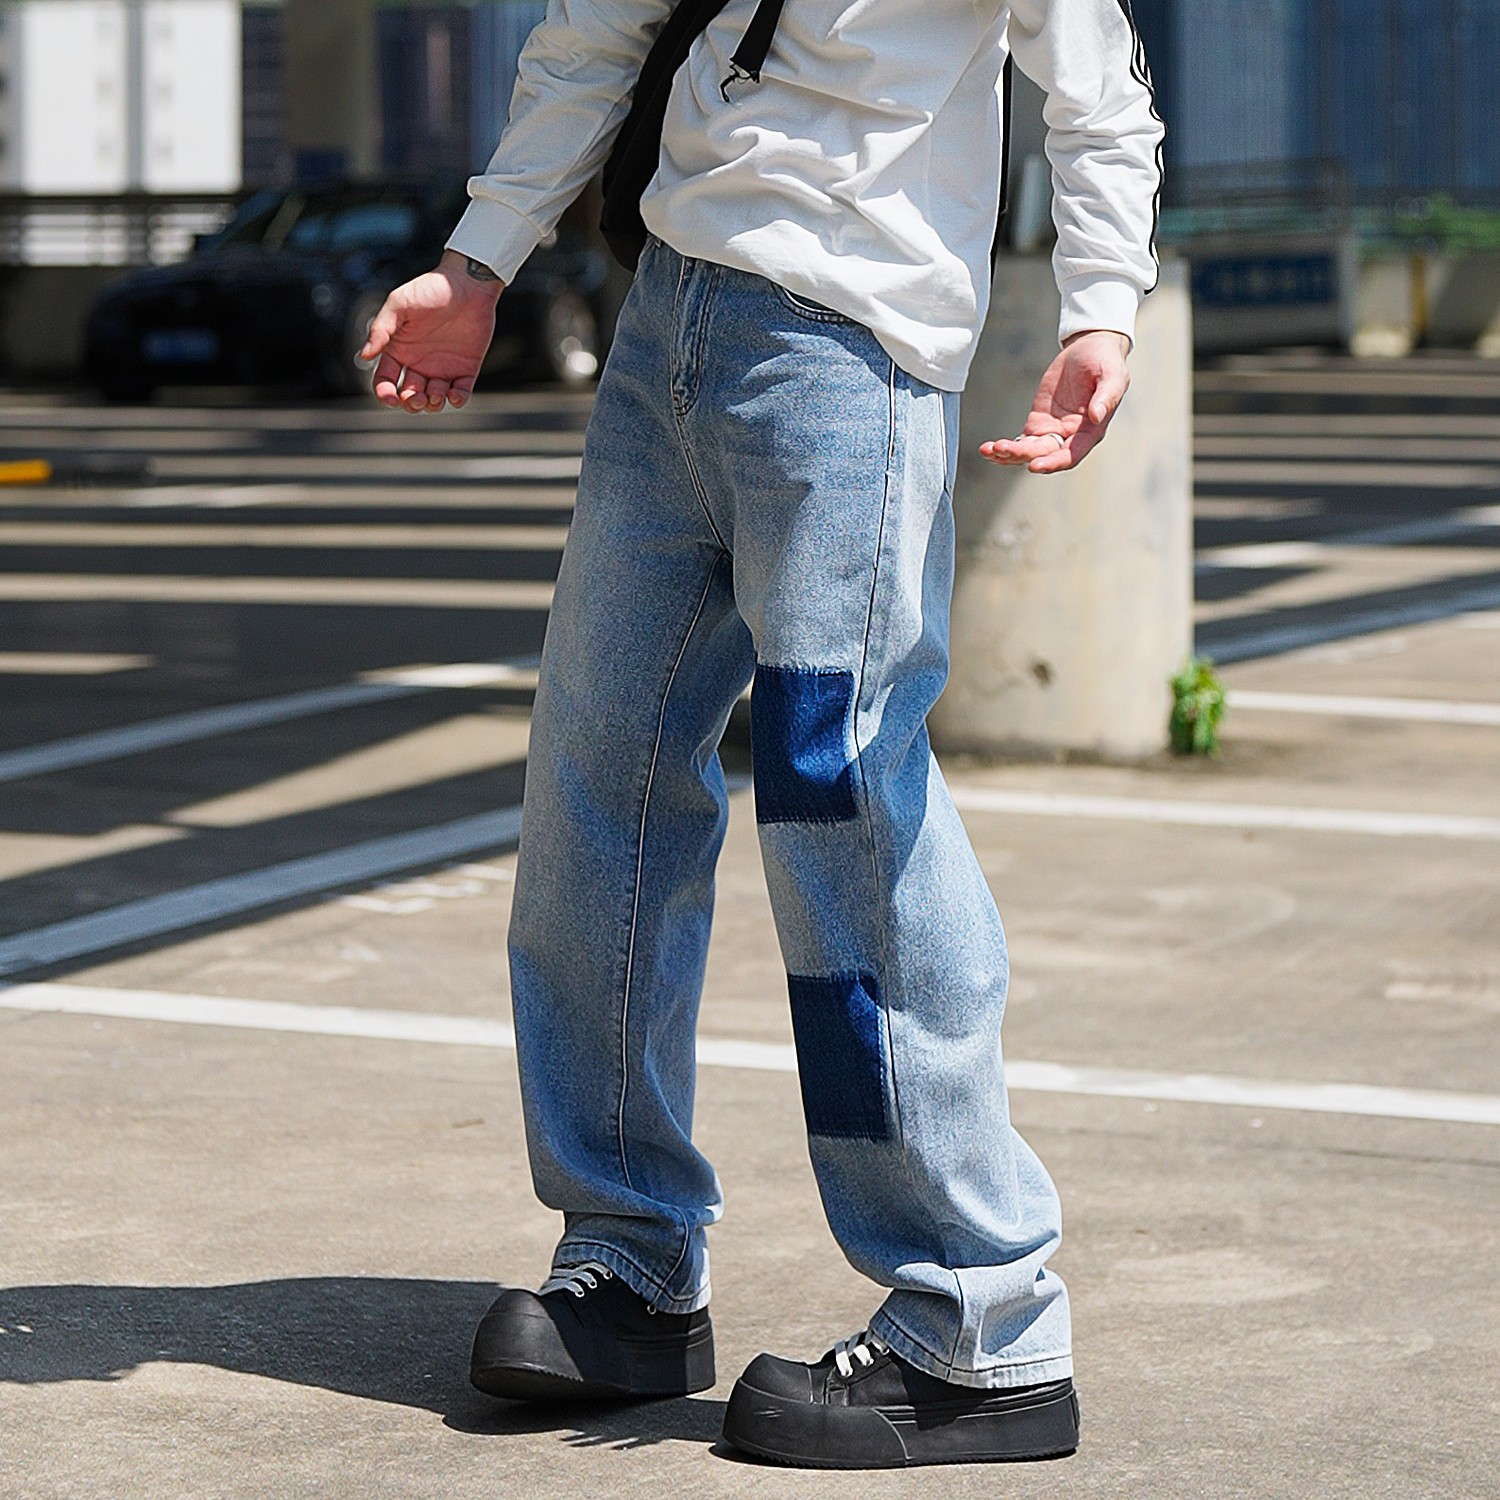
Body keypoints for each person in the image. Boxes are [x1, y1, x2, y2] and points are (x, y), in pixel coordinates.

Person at [362, 0, 1162, 1470]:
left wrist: (1101, 305)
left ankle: (984, 1318)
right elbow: (594, 33)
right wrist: (478, 263)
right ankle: (631, 1261)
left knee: (842, 800)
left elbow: (1096, 88)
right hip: (665, 325)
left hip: (853, 351)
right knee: (596, 782)